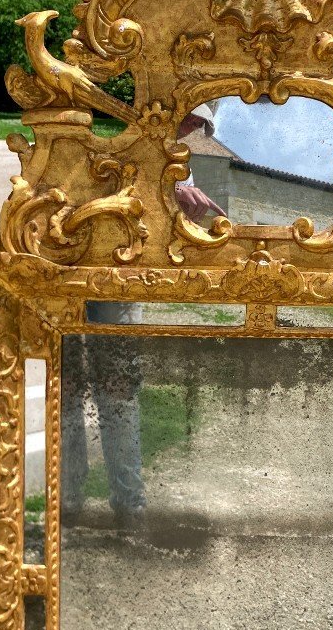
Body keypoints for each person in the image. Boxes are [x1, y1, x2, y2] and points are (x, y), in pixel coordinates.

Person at [60, 102, 222, 528]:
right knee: (68, 391)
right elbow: (97, 192)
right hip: (73, 273)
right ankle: (70, 500)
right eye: (189, 117)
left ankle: (128, 505)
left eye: (198, 123)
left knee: (116, 393)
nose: (191, 128)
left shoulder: (182, 156)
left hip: (120, 284)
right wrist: (167, 195)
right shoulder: (123, 136)